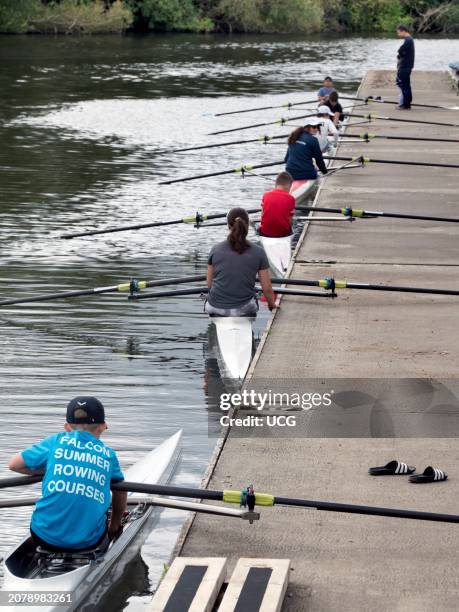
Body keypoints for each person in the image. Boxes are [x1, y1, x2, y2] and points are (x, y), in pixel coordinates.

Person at [8, 396, 127, 552]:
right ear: (103, 426)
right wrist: (114, 526)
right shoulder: (108, 455)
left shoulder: (56, 442)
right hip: (89, 542)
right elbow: (120, 491)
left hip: (41, 536)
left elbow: (14, 465)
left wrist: (52, 467)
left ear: (67, 427)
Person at [206, 207, 276, 315]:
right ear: (248, 226)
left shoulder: (215, 249)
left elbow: (209, 284)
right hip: (244, 308)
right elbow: (266, 288)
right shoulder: (259, 252)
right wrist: (272, 305)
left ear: (228, 226)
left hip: (215, 307)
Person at [285, 119, 328, 193]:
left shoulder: (293, 137)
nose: (317, 129)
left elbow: (286, 159)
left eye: (317, 127)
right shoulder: (313, 140)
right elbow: (319, 159)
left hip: (289, 172)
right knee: (315, 169)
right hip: (306, 173)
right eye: (314, 127)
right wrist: (325, 172)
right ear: (307, 128)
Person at [259, 172, 295, 239]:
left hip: (265, 233)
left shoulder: (265, 195)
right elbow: (290, 221)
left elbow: (262, 215)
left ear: (276, 184)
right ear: (289, 185)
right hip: (283, 234)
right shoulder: (291, 198)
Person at [396, 24, 415, 109]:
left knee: (403, 84)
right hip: (407, 65)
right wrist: (400, 56)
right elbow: (403, 51)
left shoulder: (408, 40)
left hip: (405, 66)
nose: (398, 34)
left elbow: (400, 50)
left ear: (403, 31)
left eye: (399, 32)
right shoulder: (409, 39)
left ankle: (405, 104)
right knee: (405, 84)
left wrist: (400, 56)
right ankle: (406, 103)